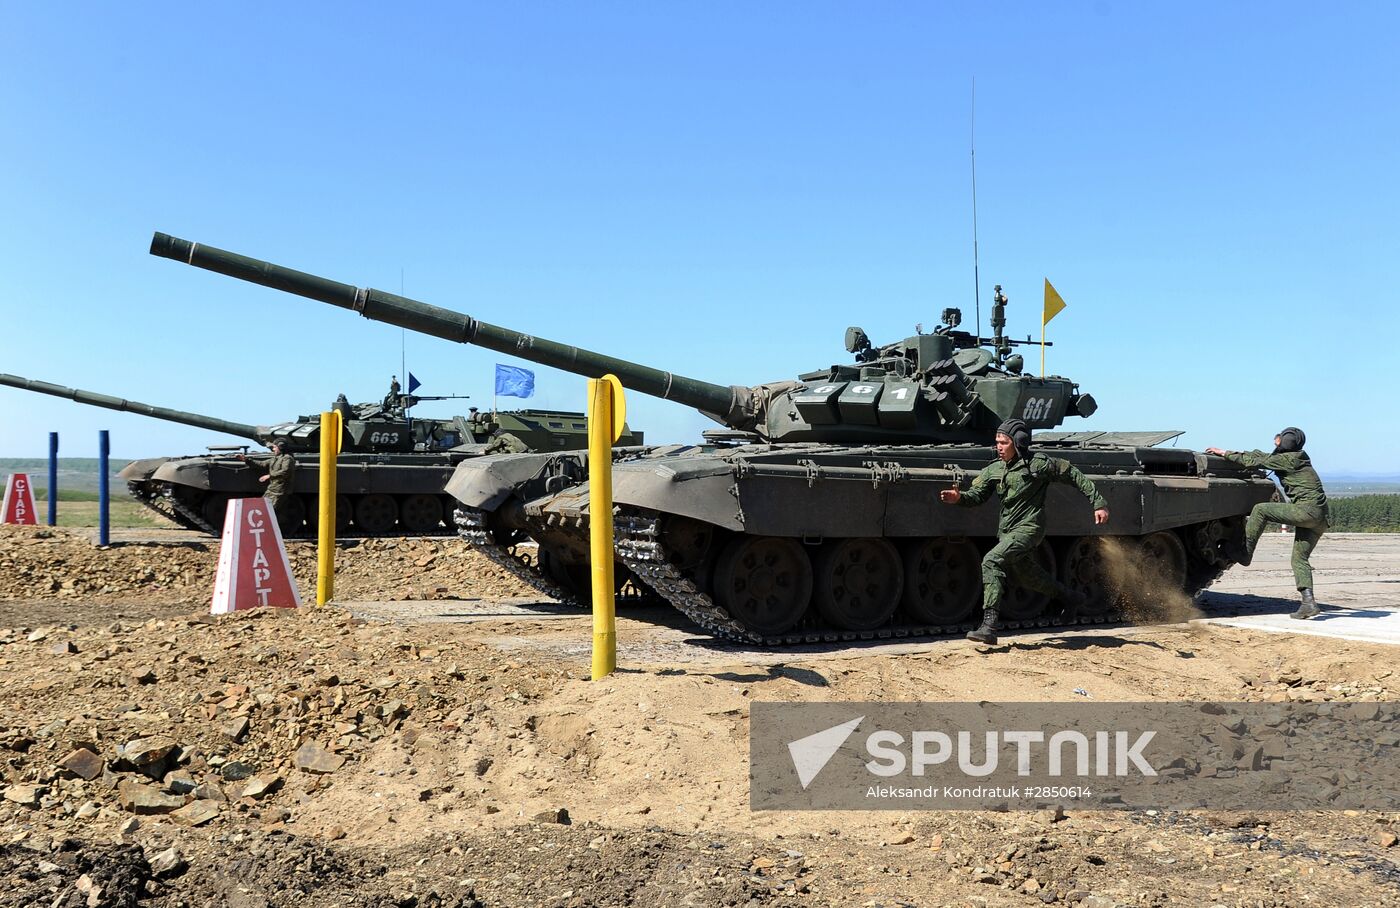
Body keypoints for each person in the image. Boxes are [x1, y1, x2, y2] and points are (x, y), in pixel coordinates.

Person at [940, 418, 1111, 645]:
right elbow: (977, 496)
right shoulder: (993, 469)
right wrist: (960, 498)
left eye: (1004, 442)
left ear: (1018, 443)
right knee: (1026, 576)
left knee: (991, 561)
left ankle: (989, 626)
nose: (998, 447)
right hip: (1007, 530)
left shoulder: (1038, 465)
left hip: (1030, 528)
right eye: (997, 442)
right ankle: (1071, 598)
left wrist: (1098, 502)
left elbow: (1071, 473)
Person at [1206, 427, 1329, 619]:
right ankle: (1308, 603)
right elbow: (1263, 456)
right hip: (1320, 518)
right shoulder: (1298, 458)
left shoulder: (1287, 460)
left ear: (1284, 442)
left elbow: (1257, 460)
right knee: (1299, 559)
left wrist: (1225, 453)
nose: (1275, 441)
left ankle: (1244, 552)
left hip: (1306, 511)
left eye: (1278, 439)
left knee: (1261, 509)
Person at [238, 439, 298, 531]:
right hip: (272, 489)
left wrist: (269, 476)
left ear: (280, 447)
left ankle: (272, 531)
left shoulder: (288, 459)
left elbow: (285, 472)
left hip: (280, 490)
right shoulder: (275, 458)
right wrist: (246, 459)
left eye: (274, 447)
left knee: (269, 511)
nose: (273, 449)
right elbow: (262, 464)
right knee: (262, 508)